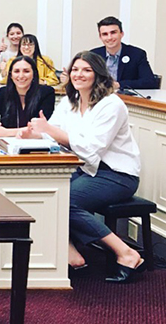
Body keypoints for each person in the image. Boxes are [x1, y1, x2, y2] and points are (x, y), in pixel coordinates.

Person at [18, 51, 144, 282]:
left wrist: (49, 131)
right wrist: (33, 135)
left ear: (98, 75)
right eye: (75, 69)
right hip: (84, 169)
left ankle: (126, 253)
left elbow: (91, 149)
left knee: (66, 201)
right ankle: (71, 253)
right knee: (45, 193)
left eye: (86, 70)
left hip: (117, 174)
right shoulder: (70, 101)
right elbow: (51, 134)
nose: (79, 74)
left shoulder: (111, 104)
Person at [0, 56, 55, 137]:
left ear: (34, 74)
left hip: (35, 144)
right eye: (16, 71)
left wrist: (7, 133)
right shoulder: (4, 92)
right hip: (7, 144)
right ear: (11, 75)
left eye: (26, 71)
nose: (21, 76)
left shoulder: (46, 93)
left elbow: (41, 127)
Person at [89, 16, 158, 90]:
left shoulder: (137, 54)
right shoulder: (93, 55)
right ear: (100, 37)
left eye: (113, 33)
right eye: (105, 34)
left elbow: (149, 82)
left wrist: (119, 85)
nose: (109, 37)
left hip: (126, 98)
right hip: (99, 97)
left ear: (121, 34)